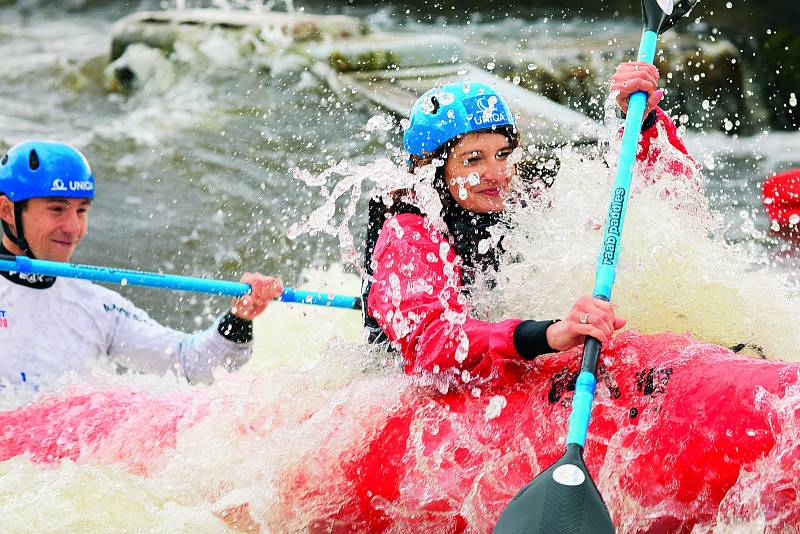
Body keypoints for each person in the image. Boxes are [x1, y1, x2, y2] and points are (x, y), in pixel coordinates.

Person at [363, 62, 698, 386]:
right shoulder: (405, 234)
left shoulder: (523, 199)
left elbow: (642, 201)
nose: (498, 173)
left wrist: (641, 120)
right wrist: (549, 334)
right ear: (433, 170)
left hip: (505, 346)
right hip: (420, 391)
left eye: (503, 154)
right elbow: (431, 344)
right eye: (474, 159)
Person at [0, 140, 283, 387]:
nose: (73, 227)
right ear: (7, 211)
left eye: (82, 210)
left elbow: (192, 366)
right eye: (57, 209)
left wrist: (240, 317)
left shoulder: (98, 308)